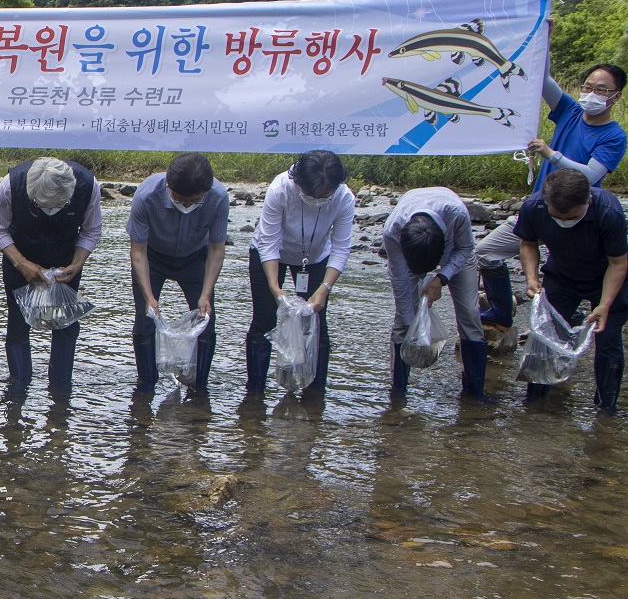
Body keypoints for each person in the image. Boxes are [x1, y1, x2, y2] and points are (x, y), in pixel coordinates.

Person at [476, 63, 625, 327]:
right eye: (588, 88)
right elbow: (540, 78)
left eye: (601, 90)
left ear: (616, 96)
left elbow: (590, 176)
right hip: (541, 210)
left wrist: (551, 154)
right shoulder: (570, 112)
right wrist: (543, 35)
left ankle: (576, 314)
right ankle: (502, 310)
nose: (592, 94)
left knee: (574, 275)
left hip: (578, 217)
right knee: (486, 252)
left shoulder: (614, 136)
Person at [0, 156, 103, 398]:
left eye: (58, 205)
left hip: (65, 260)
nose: (51, 211)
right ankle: (19, 386)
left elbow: (91, 230)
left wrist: (77, 264)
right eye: (44, 206)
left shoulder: (88, 186)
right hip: (20, 255)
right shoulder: (11, 185)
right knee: (17, 324)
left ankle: (60, 389)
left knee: (66, 324)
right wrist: (21, 263)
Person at [515, 168, 627, 413]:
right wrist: (532, 278)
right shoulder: (534, 208)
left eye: (572, 218)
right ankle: (534, 403)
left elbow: (618, 263)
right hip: (562, 277)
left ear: (587, 201)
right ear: (547, 202)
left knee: (607, 339)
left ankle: (606, 409)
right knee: (545, 336)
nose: (565, 222)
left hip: (605, 277)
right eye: (559, 218)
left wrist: (604, 305)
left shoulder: (608, 211)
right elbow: (528, 244)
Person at [246, 150, 354, 397]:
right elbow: (269, 242)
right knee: (264, 320)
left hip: (315, 258)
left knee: (315, 321)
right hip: (272, 254)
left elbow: (341, 247)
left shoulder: (344, 198)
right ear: (298, 182)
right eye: (310, 195)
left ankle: (315, 394)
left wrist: (324, 289)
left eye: (324, 196)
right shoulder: (281, 189)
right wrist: (275, 288)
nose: (317, 200)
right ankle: (255, 393)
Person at [127, 153, 229, 395]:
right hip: (153, 256)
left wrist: (206, 293)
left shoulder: (218, 198)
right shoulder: (146, 197)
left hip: (196, 257)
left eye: (194, 201)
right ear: (167, 185)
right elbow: (138, 252)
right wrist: (150, 297)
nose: (185, 205)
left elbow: (216, 249)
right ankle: (146, 384)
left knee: (206, 319)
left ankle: (200, 387)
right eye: (180, 199)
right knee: (145, 319)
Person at [381, 187, 491, 404]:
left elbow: (466, 249)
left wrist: (441, 279)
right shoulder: (393, 231)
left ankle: (474, 394)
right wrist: (415, 329)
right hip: (411, 252)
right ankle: (398, 393)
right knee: (402, 321)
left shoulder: (457, 214)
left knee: (469, 314)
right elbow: (402, 284)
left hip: (456, 251)